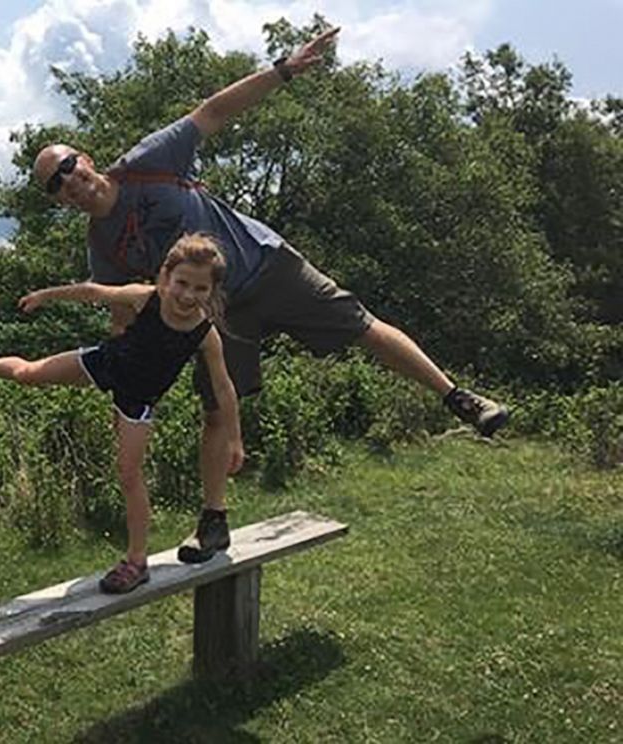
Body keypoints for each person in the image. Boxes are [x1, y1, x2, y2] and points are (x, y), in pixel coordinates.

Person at [30, 25, 510, 565]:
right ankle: (213, 524)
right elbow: (123, 316)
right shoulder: (103, 248)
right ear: (60, 200)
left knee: (360, 325)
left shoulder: (149, 162)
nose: (69, 182)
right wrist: (128, 382)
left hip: (267, 265)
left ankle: (460, 399)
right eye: (55, 184)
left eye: (69, 167)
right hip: (214, 317)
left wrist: (283, 70)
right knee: (216, 410)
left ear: (87, 159)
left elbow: (213, 111)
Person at [0, 234, 243, 593]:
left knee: (129, 474)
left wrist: (235, 439)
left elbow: (224, 388)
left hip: (139, 399)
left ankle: (136, 560)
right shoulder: (146, 297)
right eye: (181, 283)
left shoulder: (204, 335)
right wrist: (46, 295)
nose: (188, 295)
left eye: (200, 288)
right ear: (166, 277)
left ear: (212, 291)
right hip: (106, 362)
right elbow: (94, 292)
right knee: (29, 374)